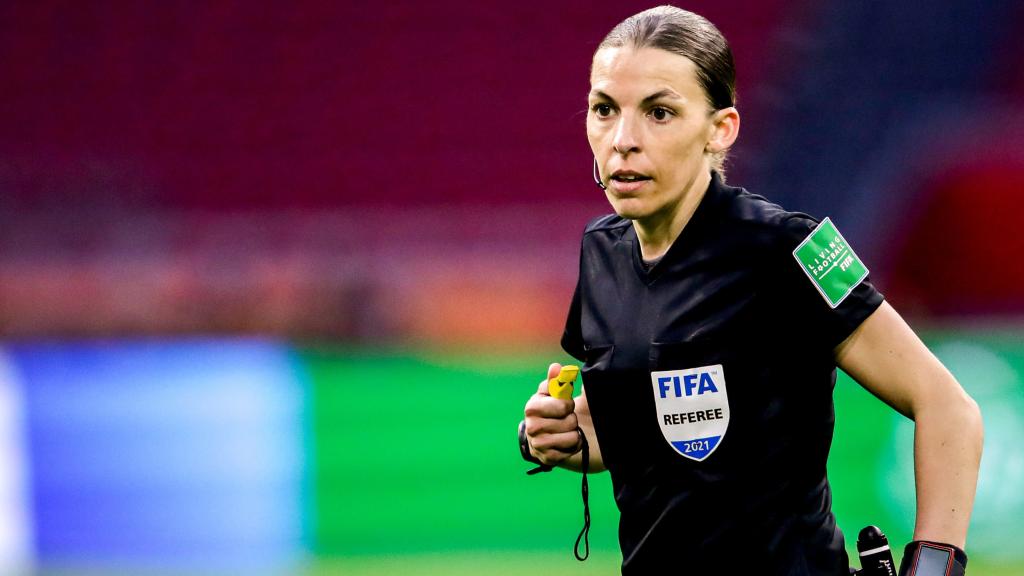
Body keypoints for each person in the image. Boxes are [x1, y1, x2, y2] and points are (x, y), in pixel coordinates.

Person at [518, 6, 983, 575]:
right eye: (604, 109)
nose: (623, 140)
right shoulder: (601, 252)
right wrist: (570, 437)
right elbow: (654, 436)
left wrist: (933, 567)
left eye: (659, 112)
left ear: (721, 129)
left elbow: (948, 409)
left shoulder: (791, 248)